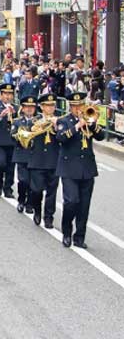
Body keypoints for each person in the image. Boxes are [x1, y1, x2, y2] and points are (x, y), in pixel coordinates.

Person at [56, 92, 105, 248]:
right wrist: (77, 126)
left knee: (84, 205)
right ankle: (66, 231)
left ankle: (79, 237)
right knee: (71, 202)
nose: (78, 108)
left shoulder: (89, 120)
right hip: (69, 168)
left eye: (80, 105)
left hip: (87, 169)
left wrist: (92, 124)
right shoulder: (64, 121)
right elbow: (61, 138)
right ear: (70, 106)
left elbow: (101, 136)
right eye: (75, 106)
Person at [28, 94, 60, 228]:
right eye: (47, 105)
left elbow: (64, 138)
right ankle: (37, 210)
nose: (50, 108)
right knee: (36, 190)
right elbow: (27, 137)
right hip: (38, 160)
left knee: (52, 192)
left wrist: (57, 127)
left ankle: (49, 217)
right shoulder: (34, 120)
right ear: (41, 107)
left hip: (53, 160)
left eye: (52, 105)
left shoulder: (60, 121)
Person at [0, 83, 18, 198]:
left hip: (12, 141)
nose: (8, 96)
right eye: (5, 94)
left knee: (11, 167)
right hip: (0, 141)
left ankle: (8, 188)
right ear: (1, 95)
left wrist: (15, 115)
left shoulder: (16, 108)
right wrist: (1, 116)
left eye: (10, 94)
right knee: (0, 163)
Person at [10, 96, 37, 213]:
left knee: (33, 182)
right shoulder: (17, 122)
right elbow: (12, 136)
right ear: (23, 108)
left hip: (35, 155)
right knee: (23, 180)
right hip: (21, 154)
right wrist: (21, 137)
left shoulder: (39, 122)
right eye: (27, 107)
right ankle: (21, 200)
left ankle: (30, 203)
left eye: (32, 107)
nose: (30, 109)